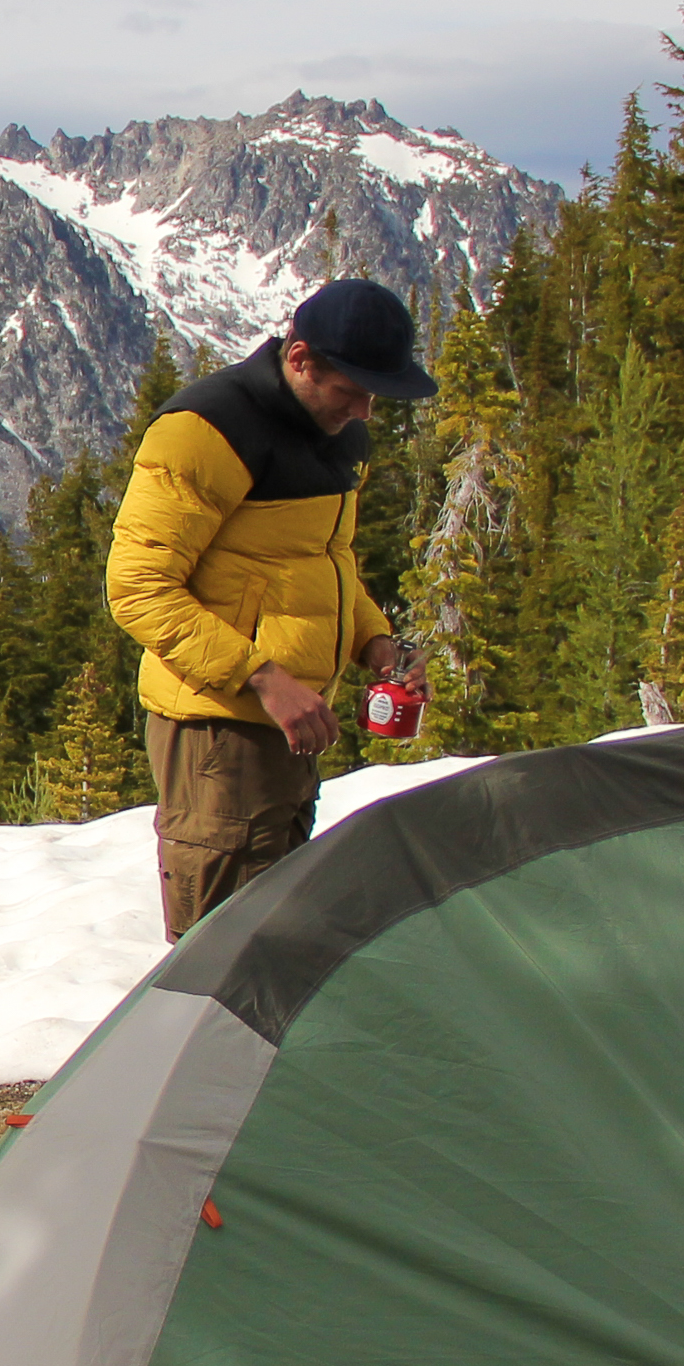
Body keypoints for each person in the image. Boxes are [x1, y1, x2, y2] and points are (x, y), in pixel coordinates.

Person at [106, 277, 431, 939]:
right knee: (219, 950)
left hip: (287, 727)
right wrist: (264, 678)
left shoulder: (337, 433)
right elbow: (137, 586)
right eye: (352, 390)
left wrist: (375, 643)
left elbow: (323, 562)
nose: (366, 410)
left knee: (275, 943)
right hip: (217, 732)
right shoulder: (205, 430)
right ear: (301, 358)